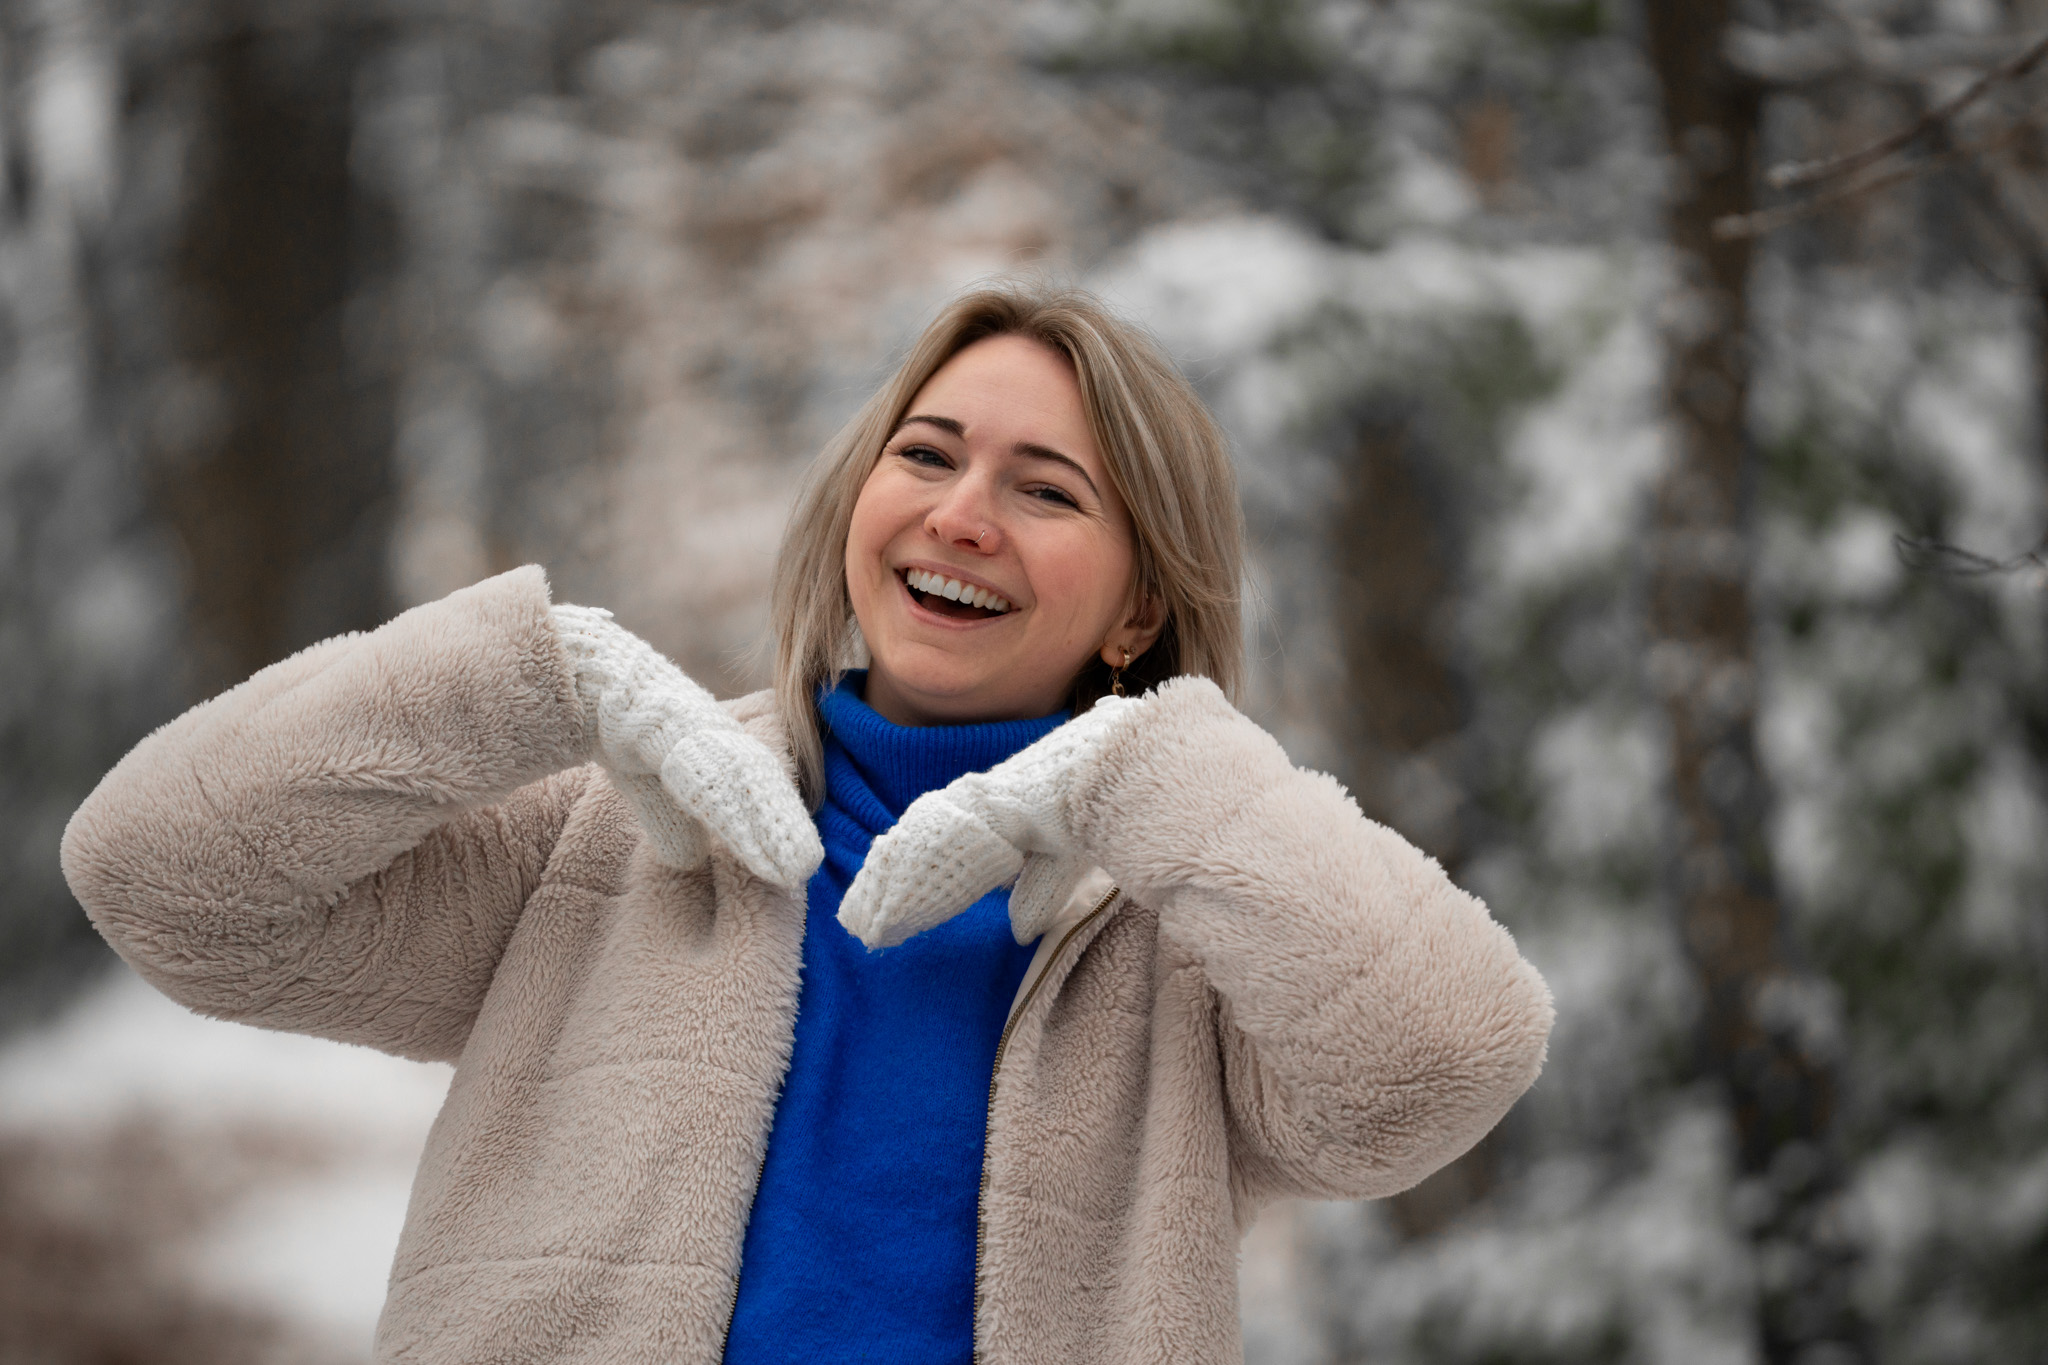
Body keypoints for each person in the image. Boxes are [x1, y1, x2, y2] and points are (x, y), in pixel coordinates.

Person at [62, 283, 1553, 1365]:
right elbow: (164, 879)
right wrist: (529, 676)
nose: (961, 513)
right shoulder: (609, 844)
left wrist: (1153, 774)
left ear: (1141, 605)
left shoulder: (1179, 941)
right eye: (927, 454)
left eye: (1045, 490)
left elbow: (1443, 1056)